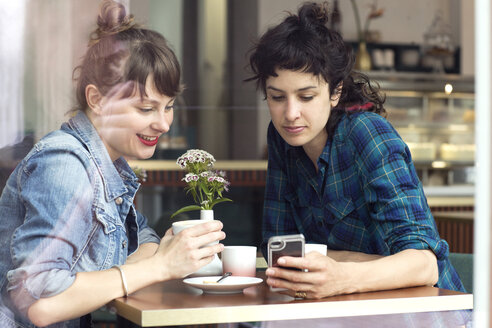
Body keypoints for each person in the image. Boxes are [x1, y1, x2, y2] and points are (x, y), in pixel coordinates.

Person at [0, 1, 225, 327]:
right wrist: (160, 267)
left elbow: (144, 240)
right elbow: (41, 304)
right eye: (146, 108)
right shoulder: (65, 165)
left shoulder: (109, 167)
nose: (163, 124)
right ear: (97, 100)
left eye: (168, 107)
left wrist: (160, 258)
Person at [247, 2, 466, 300]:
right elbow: (279, 250)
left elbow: (425, 264)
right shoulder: (281, 138)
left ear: (335, 92)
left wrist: (340, 275)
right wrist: (347, 266)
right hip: (341, 310)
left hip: (425, 311)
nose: (291, 113)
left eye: (306, 96)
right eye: (276, 97)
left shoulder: (366, 134)